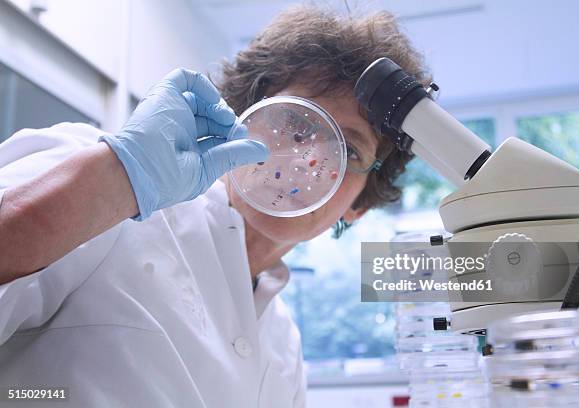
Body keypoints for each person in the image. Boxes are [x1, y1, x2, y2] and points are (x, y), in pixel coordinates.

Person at [0, 6, 428, 407]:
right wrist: (115, 177)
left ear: (358, 207)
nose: (306, 160)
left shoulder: (284, 347)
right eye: (296, 121)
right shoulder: (101, 185)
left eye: (348, 150)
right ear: (241, 116)